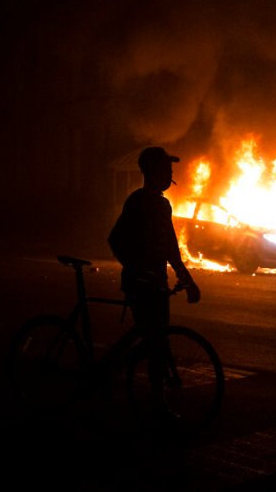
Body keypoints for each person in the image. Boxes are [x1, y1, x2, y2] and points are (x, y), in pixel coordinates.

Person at [107, 146, 201, 421]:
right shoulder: (137, 202)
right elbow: (115, 239)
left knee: (155, 341)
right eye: (167, 169)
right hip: (140, 284)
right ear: (154, 172)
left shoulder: (163, 205)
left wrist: (188, 280)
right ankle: (156, 403)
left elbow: (171, 247)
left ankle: (129, 377)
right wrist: (135, 269)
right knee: (156, 342)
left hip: (157, 284)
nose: (172, 174)